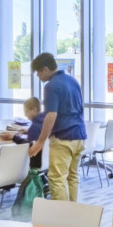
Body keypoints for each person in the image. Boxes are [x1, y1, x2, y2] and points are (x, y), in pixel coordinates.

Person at [29, 52, 87, 202]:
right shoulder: (72, 80)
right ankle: (73, 215)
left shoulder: (51, 86)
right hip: (79, 136)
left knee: (56, 178)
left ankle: (61, 219)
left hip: (63, 138)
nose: (38, 76)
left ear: (45, 70)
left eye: (38, 72)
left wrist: (41, 142)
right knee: (72, 177)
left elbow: (51, 115)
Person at [19, 97, 46, 170]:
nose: (25, 115)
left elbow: (30, 147)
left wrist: (14, 138)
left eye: (26, 111)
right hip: (47, 161)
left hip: (35, 163)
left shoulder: (34, 127)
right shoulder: (46, 122)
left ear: (34, 109)